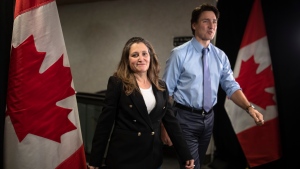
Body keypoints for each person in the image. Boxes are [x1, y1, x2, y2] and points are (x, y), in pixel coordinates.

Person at [161, 3, 265, 169]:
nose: (211, 26)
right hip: (184, 119)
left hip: (208, 119)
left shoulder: (220, 56)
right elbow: (166, 92)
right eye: (206, 21)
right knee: (191, 166)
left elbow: (231, 86)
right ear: (194, 24)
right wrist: (164, 124)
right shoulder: (179, 54)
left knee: (198, 164)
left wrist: (249, 108)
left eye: (214, 21)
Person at [87, 37, 195, 169]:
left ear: (150, 57)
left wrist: (185, 154)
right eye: (135, 55)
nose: (141, 58)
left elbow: (172, 123)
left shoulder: (161, 86)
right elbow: (104, 124)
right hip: (124, 158)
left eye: (144, 54)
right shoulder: (117, 83)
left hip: (152, 158)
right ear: (127, 60)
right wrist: (95, 161)